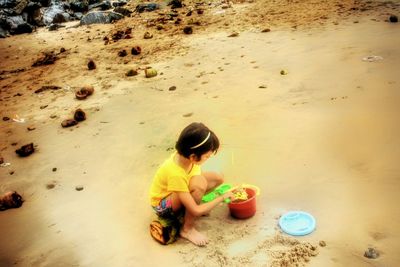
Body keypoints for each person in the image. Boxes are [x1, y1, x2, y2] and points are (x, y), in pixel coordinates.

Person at [149, 122, 234, 246]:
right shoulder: (175, 173)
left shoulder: (186, 155)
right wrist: (222, 197)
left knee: (217, 178)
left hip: (179, 192)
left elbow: (197, 177)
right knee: (198, 185)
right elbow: (196, 210)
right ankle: (187, 230)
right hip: (163, 205)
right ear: (193, 157)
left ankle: (190, 202)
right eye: (207, 156)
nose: (208, 159)